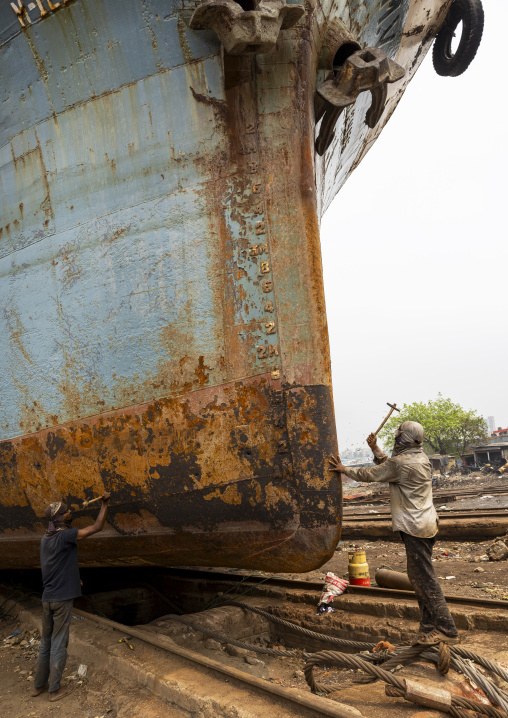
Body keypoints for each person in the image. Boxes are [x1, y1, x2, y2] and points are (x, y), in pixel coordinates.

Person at [329, 421, 459, 646]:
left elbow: (373, 473)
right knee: (419, 579)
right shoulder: (420, 458)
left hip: (414, 527)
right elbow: (390, 467)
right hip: (426, 523)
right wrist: (375, 449)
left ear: (402, 440)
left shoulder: (401, 463)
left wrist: (344, 470)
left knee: (425, 580)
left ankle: (447, 629)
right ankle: (428, 626)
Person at [31, 492, 111, 702]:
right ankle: (54, 690)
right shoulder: (65, 536)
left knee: (45, 642)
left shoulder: (45, 539)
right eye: (66, 511)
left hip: (47, 598)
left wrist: (75, 580)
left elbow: (55, 566)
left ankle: (38, 686)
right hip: (61, 600)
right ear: (59, 518)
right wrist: (104, 505)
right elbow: (96, 528)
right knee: (59, 642)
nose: (69, 512)